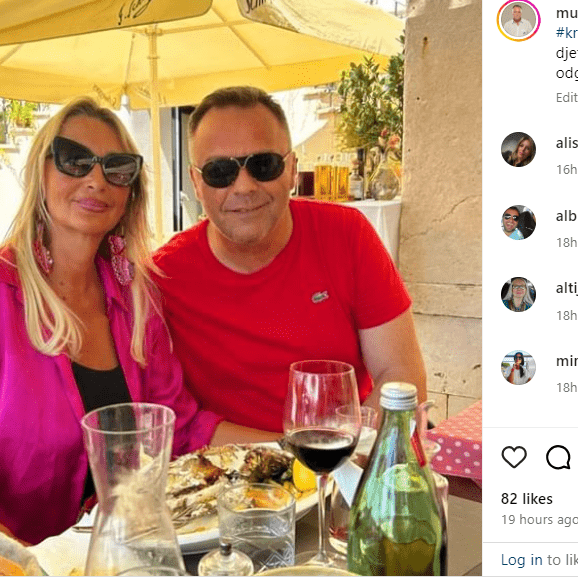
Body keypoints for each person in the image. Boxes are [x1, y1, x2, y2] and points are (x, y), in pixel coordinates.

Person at [0, 98, 273, 566]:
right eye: (74, 160)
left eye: (117, 168)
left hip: (69, 555)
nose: (97, 179)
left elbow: (179, 429)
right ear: (41, 173)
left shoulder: (136, 300)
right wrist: (14, 557)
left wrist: (291, 445)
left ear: (131, 192)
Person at [152, 86, 427, 432]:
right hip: (229, 462)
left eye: (263, 165)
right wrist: (287, 457)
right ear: (196, 182)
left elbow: (401, 375)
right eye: (219, 172)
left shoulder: (346, 235)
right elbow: (171, 418)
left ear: (292, 169)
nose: (244, 187)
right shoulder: (163, 275)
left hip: (343, 451)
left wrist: (340, 454)